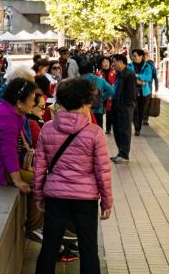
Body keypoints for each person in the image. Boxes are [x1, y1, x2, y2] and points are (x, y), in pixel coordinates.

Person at [34, 77, 114, 274]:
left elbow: (39, 167)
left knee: (49, 246)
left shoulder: (47, 128)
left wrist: (39, 195)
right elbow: (102, 170)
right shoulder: (95, 132)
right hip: (85, 199)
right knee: (89, 248)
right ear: (85, 103)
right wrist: (106, 201)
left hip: (55, 196)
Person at [110, 54, 138, 163]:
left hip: (124, 108)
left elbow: (131, 94)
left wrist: (125, 107)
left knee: (124, 131)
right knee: (117, 130)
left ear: (121, 62)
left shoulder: (129, 74)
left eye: (114, 62)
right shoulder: (119, 74)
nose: (113, 64)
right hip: (117, 106)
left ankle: (124, 155)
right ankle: (120, 153)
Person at [81, 62, 114, 134]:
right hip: (97, 110)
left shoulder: (77, 80)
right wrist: (102, 98)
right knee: (98, 133)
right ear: (93, 70)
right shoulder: (100, 80)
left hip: (82, 111)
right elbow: (111, 91)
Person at [130, 49, 156, 135]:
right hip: (132, 91)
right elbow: (128, 76)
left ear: (141, 56)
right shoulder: (129, 66)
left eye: (135, 56)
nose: (133, 57)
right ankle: (136, 127)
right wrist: (138, 81)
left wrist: (137, 75)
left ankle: (138, 128)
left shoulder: (147, 66)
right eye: (133, 56)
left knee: (141, 110)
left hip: (143, 92)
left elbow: (148, 77)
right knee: (134, 110)